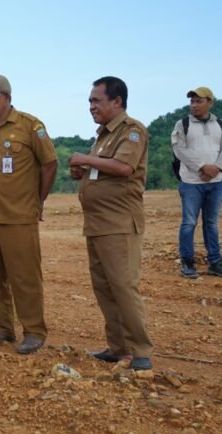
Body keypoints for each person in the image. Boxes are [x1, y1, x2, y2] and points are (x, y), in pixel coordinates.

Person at [68, 76, 153, 371]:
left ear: (117, 101)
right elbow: (102, 170)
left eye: (96, 100)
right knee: (104, 288)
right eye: (90, 101)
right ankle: (118, 348)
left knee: (123, 287)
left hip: (119, 224)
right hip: (97, 224)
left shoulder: (132, 131)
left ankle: (140, 351)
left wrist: (87, 159)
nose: (91, 106)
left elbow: (124, 167)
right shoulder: (102, 136)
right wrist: (82, 169)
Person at [0, 74, 57, 354]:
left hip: (18, 215)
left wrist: (38, 200)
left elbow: (50, 164)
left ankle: (34, 331)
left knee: (24, 277)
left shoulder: (30, 126)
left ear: (7, 97)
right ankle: (3, 327)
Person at [171, 86, 222, 278]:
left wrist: (217, 168)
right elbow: (179, 150)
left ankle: (215, 262)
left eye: (199, 101)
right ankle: (187, 263)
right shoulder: (182, 124)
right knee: (189, 223)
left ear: (210, 102)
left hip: (216, 182)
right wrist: (202, 167)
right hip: (191, 183)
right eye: (192, 101)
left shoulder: (221, 124)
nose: (194, 105)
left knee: (211, 224)